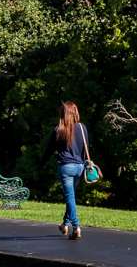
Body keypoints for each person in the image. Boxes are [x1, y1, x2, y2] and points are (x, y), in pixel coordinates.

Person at [47, 101, 95, 240]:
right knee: (71, 197)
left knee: (70, 198)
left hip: (66, 168)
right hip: (80, 167)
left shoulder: (59, 129)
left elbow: (49, 150)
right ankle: (64, 224)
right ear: (75, 112)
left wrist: (41, 163)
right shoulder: (82, 127)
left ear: (63, 114)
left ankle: (76, 227)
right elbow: (85, 148)